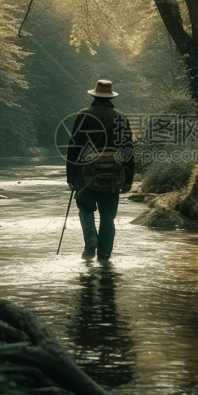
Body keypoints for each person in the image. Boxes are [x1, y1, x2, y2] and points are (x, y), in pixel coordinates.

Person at [66, 80, 134, 260]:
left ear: (94, 96)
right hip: (113, 176)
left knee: (86, 208)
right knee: (107, 217)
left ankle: (90, 240)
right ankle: (104, 255)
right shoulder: (120, 117)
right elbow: (128, 150)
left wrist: (71, 177)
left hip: (85, 173)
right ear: (111, 97)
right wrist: (128, 179)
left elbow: (73, 148)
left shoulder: (83, 115)